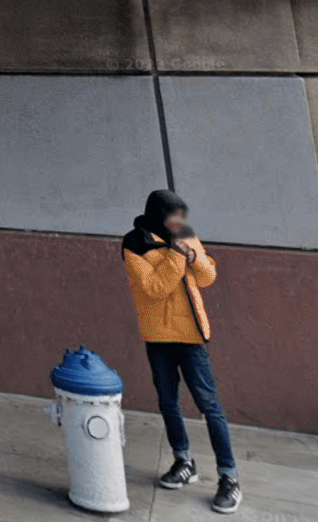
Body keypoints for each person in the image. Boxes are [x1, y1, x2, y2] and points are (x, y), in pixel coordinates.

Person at [122, 190, 240, 514]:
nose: (178, 221)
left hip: (190, 337)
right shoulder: (134, 245)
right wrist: (176, 255)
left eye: (180, 214)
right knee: (168, 402)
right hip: (159, 336)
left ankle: (229, 477)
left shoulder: (185, 235)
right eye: (172, 214)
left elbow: (207, 276)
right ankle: (183, 460)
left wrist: (193, 257)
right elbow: (154, 288)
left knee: (209, 406)